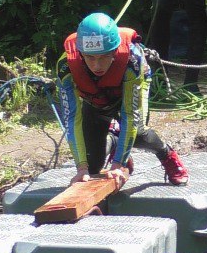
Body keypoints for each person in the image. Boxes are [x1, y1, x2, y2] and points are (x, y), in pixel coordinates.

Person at [56, 12, 189, 186]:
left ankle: (166, 155)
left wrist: (118, 165)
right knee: (93, 166)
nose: (97, 66)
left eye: (104, 57)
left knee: (139, 133)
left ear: (114, 52)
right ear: (81, 53)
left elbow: (130, 115)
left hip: (129, 90)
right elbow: (72, 119)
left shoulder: (132, 60)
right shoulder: (65, 66)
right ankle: (115, 140)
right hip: (96, 99)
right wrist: (82, 169)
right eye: (90, 58)